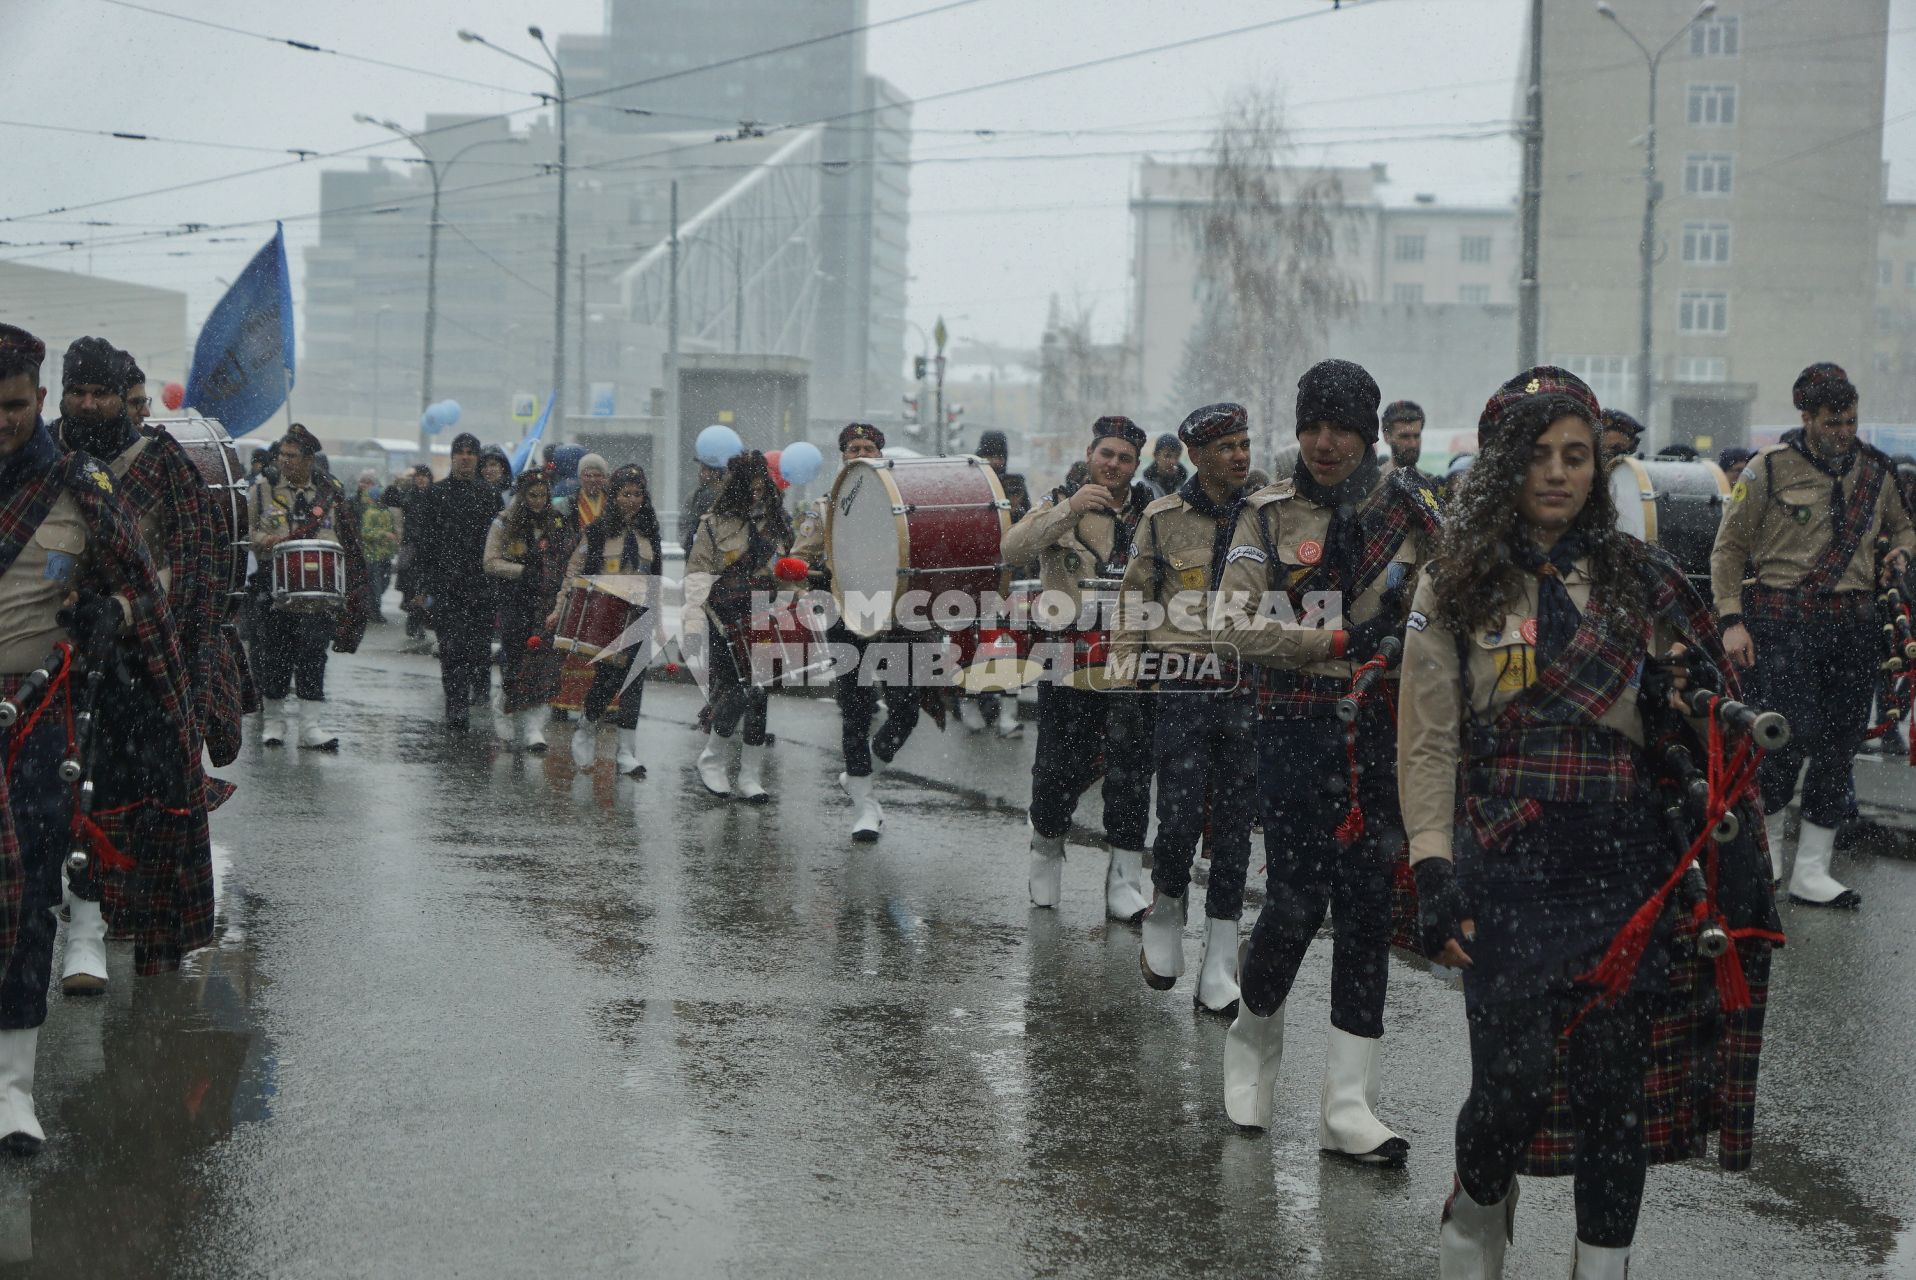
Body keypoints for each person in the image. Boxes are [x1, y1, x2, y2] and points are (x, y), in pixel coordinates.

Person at [1400, 366, 1778, 1279]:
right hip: (1507, 852)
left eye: (1579, 456)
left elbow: (1690, 713)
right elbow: (1426, 743)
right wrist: (1433, 869)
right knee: (1512, 1084)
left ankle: (1600, 1267)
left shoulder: (1638, 577)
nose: (1561, 474)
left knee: (1617, 1092)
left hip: (1621, 858)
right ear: (1502, 467)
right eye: (1538, 457)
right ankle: (1475, 1218)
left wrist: (1680, 702)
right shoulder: (1453, 585)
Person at [0, 323, 217, 1152]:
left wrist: (112, 616)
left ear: (38, 401)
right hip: (78, 691)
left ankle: (14, 1088)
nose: (4, 421)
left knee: (32, 894)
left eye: (18, 405)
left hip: (50, 708)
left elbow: (158, 586)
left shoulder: (80, 483)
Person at [1215, 360, 1439, 1160]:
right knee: (1295, 903)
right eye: (1312, 426)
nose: (1324, 443)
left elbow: (1447, 615)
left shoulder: (1411, 512)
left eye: (1341, 427)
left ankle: (1349, 1105)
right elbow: (1234, 624)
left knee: (1370, 909)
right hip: (1293, 727)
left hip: (1381, 729)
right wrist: (1338, 641)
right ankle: (1252, 1041)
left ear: (1369, 431)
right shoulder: (1267, 515)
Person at [50, 337, 238, 994]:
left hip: (147, 666)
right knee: (68, 799)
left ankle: (143, 938)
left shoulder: (162, 465)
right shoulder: (46, 459)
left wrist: (128, 611)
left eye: (103, 393)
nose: (92, 404)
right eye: (80, 392)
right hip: (56, 659)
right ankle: (82, 928)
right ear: (63, 393)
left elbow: (196, 568)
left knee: (147, 811)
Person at [1711, 362, 1914, 908]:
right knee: (1784, 739)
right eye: (1832, 422)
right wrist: (1731, 620)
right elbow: (1728, 550)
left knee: (1840, 744)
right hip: (1781, 622)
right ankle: (1770, 854)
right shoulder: (1767, 471)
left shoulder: (1876, 470)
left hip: (1853, 624)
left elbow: (1905, 525)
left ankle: (1813, 870)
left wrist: (1903, 549)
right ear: (1806, 417)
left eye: (1850, 421)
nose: (1843, 432)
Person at [1109, 402, 1257, 1015]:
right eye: (1228, 447)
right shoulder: (1163, 519)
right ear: (1198, 455)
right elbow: (1134, 599)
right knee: (1177, 812)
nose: (1241, 456)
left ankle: (1220, 952)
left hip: (1247, 680)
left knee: (1236, 826)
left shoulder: (1264, 513)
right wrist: (1125, 685)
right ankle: (1167, 908)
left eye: (1246, 444)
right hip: (1182, 682)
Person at [1004, 415, 1156, 918]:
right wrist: (1069, 509)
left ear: (1136, 465)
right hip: (1066, 658)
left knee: (1130, 772)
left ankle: (1124, 881)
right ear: (1090, 454)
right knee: (1055, 768)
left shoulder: (1152, 514)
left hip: (1129, 658)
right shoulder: (1057, 504)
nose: (1113, 465)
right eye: (1106, 454)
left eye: (1125, 458)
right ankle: (1046, 850)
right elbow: (1011, 550)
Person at [789, 423, 924, 838]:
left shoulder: (904, 504)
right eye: (853, 448)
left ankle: (862, 771)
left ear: (881, 455)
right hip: (845, 615)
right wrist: (810, 572)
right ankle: (864, 805)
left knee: (905, 711)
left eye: (868, 447)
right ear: (843, 456)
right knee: (856, 709)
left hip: (897, 615)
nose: (860, 453)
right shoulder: (824, 507)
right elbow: (799, 558)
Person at [247, 424, 368, 749]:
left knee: (314, 655)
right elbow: (246, 533)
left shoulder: (331, 494)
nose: (284, 461)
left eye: (292, 455)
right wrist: (269, 540)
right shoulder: (263, 489)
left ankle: (310, 727)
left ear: (309, 458)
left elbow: (347, 541)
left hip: (319, 595)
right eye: (282, 455)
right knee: (275, 656)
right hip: (275, 589)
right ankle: (273, 723)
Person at [682, 451, 791, 801]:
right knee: (734, 691)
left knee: (760, 695)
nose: (757, 493)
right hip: (725, 617)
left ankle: (750, 776)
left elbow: (790, 569)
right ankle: (711, 758)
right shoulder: (713, 524)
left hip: (766, 612)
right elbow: (698, 573)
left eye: (762, 486)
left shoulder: (778, 523)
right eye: (751, 486)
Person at [549, 465, 662, 774]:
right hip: (606, 614)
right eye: (626, 493)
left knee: (634, 682)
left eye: (638, 494)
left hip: (639, 614)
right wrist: (561, 607)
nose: (633, 500)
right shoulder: (598, 530)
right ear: (615, 495)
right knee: (607, 680)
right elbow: (575, 569)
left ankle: (627, 752)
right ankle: (586, 726)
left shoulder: (651, 531)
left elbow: (657, 577)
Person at [408, 433, 501, 731]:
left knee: (477, 647)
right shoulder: (436, 494)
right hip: (447, 586)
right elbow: (424, 543)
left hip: (481, 586)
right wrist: (422, 586)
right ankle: (456, 706)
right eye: (459, 453)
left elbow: (498, 542)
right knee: (451, 649)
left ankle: (478, 690)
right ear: (452, 457)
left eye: (470, 453)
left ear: (477, 458)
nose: (465, 458)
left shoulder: (489, 495)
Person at [485, 470, 569, 750]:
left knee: (542, 663)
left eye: (543, 495)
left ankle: (534, 726)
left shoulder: (556, 521)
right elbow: (491, 562)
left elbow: (566, 556)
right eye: (532, 495)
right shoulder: (504, 521)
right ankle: (504, 709)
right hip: (514, 599)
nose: (538, 501)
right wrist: (523, 571)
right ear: (522, 495)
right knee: (515, 660)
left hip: (545, 601)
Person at [959, 430, 1033, 738]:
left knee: (1010, 645)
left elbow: (1028, 526)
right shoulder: (969, 483)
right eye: (989, 454)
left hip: (1009, 576)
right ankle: (970, 702)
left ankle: (1008, 713)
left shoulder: (1015, 483)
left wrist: (1015, 511)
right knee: (973, 645)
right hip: (976, 577)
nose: (995, 461)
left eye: (999, 455)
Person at [352, 470, 398, 624]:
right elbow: (365, 531)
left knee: (382, 584)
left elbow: (391, 528)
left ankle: (371, 608)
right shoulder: (365, 510)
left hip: (383, 553)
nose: (364, 485)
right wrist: (383, 535)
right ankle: (373, 611)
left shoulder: (384, 511)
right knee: (375, 585)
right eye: (363, 481)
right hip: (370, 553)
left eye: (369, 482)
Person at [679, 460, 725, 552]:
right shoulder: (693, 496)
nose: (700, 474)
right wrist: (689, 542)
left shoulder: (725, 496)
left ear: (716, 473)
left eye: (704, 470)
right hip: (697, 550)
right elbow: (685, 522)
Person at [1380, 399, 1426, 478]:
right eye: (1404, 437)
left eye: (1416, 436)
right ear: (1387, 437)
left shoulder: (1432, 484)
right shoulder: (1373, 484)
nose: (1413, 444)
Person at [1140, 433, 1188, 499]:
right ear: (1156, 455)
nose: (1173, 461)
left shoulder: (1187, 485)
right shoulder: (1142, 488)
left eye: (1177, 456)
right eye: (1167, 456)